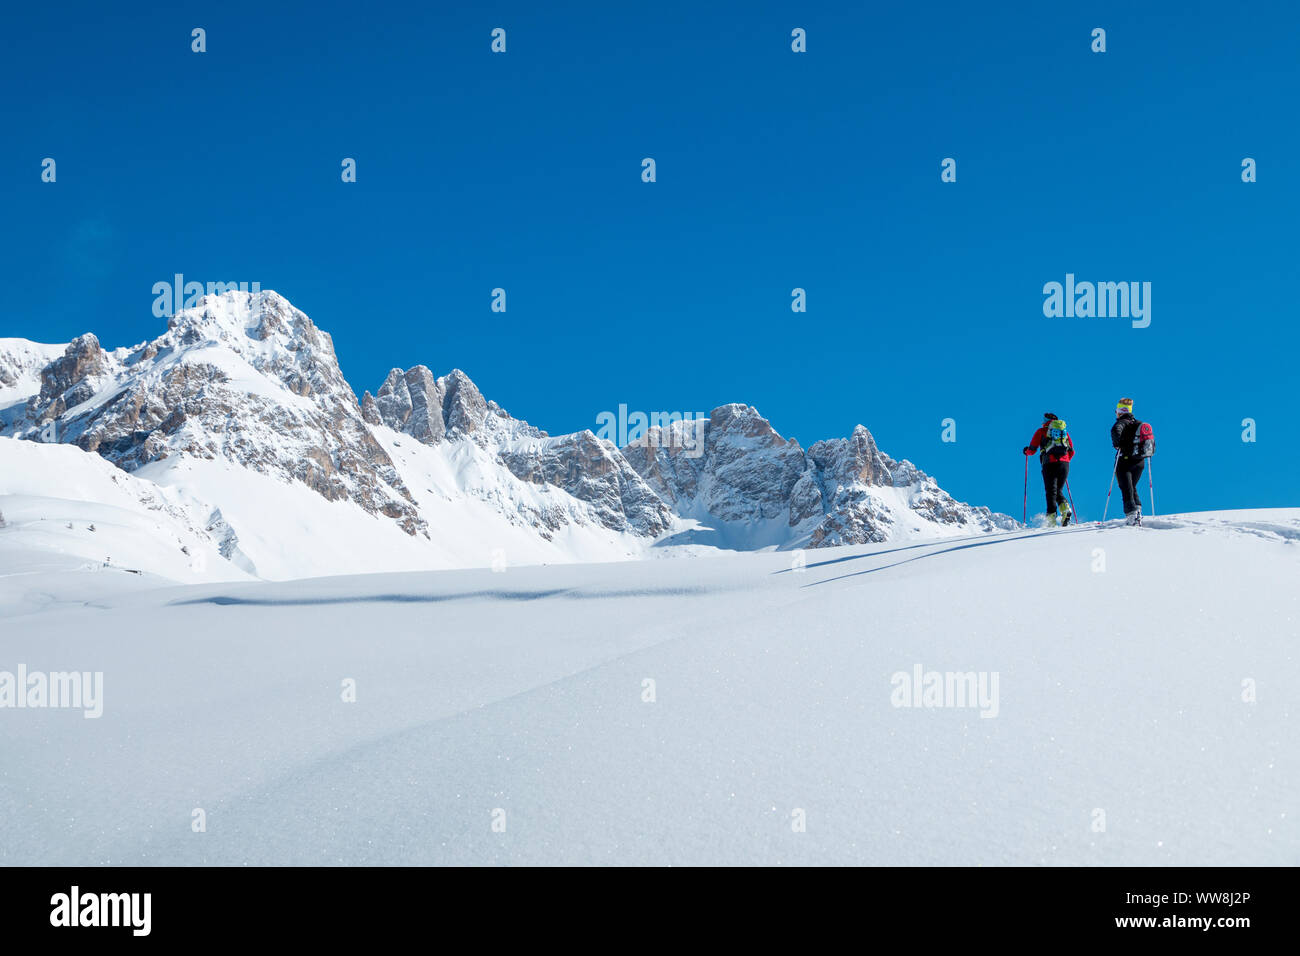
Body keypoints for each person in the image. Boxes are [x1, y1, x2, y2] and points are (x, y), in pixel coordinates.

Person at [1023, 412, 1075, 526]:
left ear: (1045, 421)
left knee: (1051, 491)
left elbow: (1032, 450)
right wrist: (1064, 460)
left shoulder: (1042, 431)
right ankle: (1065, 509)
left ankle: (1051, 519)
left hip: (1049, 464)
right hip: (1065, 464)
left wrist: (1026, 451)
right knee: (1058, 491)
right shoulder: (1064, 433)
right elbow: (1072, 451)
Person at [1110, 397, 1150, 526]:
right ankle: (1138, 512)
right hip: (1140, 462)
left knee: (1126, 488)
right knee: (1132, 487)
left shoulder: (1121, 423)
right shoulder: (1138, 423)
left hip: (1125, 461)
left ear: (1120, 411)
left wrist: (1118, 444)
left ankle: (1132, 516)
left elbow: (1115, 431)